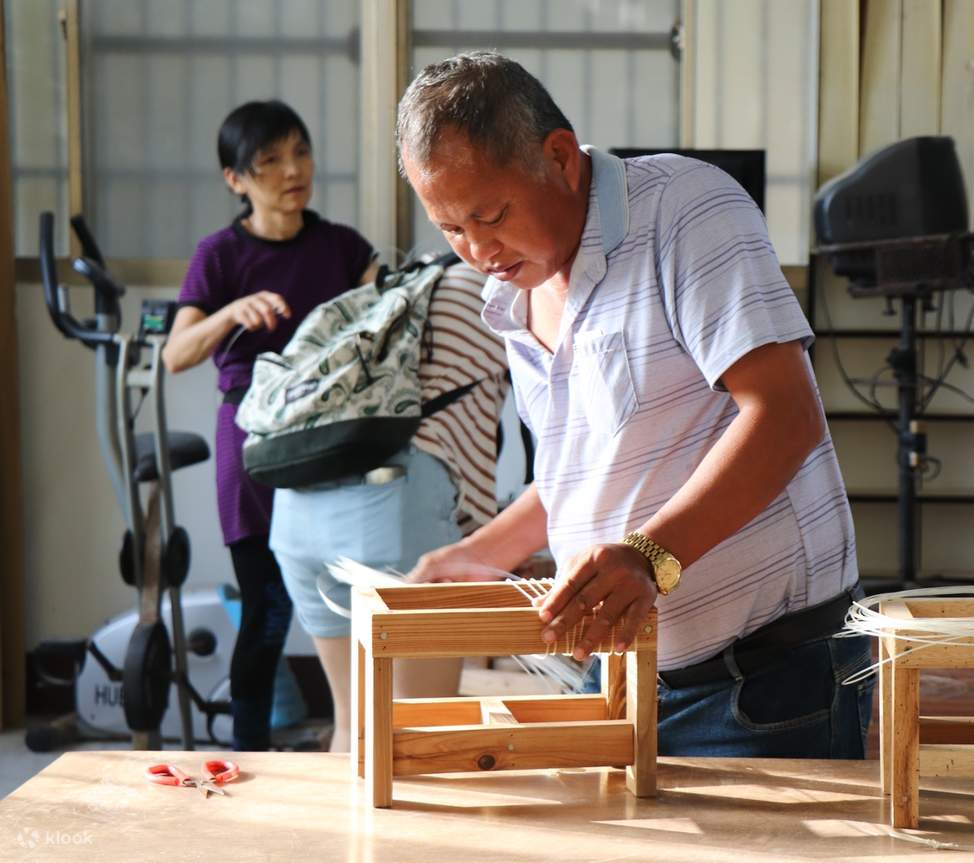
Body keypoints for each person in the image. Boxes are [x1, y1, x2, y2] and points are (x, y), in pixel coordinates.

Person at [396, 52, 872, 758]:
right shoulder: (511, 295)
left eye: (490, 215)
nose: (477, 250)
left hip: (759, 683)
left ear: (558, 157)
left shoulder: (684, 210)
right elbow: (586, 468)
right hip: (620, 673)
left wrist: (651, 557)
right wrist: (482, 552)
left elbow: (783, 414)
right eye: (450, 229)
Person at [162, 100, 378, 751]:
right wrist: (232, 311)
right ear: (235, 179)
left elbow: (387, 308)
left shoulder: (342, 246)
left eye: (301, 152)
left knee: (349, 599)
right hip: (254, 448)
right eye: (271, 161)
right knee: (268, 611)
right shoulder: (220, 254)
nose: (294, 170)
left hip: (335, 439)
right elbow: (176, 354)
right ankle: (248, 756)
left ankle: (356, 738)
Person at [268, 256, 510, 752]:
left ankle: (346, 833)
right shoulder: (506, 293)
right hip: (393, 507)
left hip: (298, 508)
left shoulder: (395, 290)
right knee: (421, 731)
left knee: (353, 723)